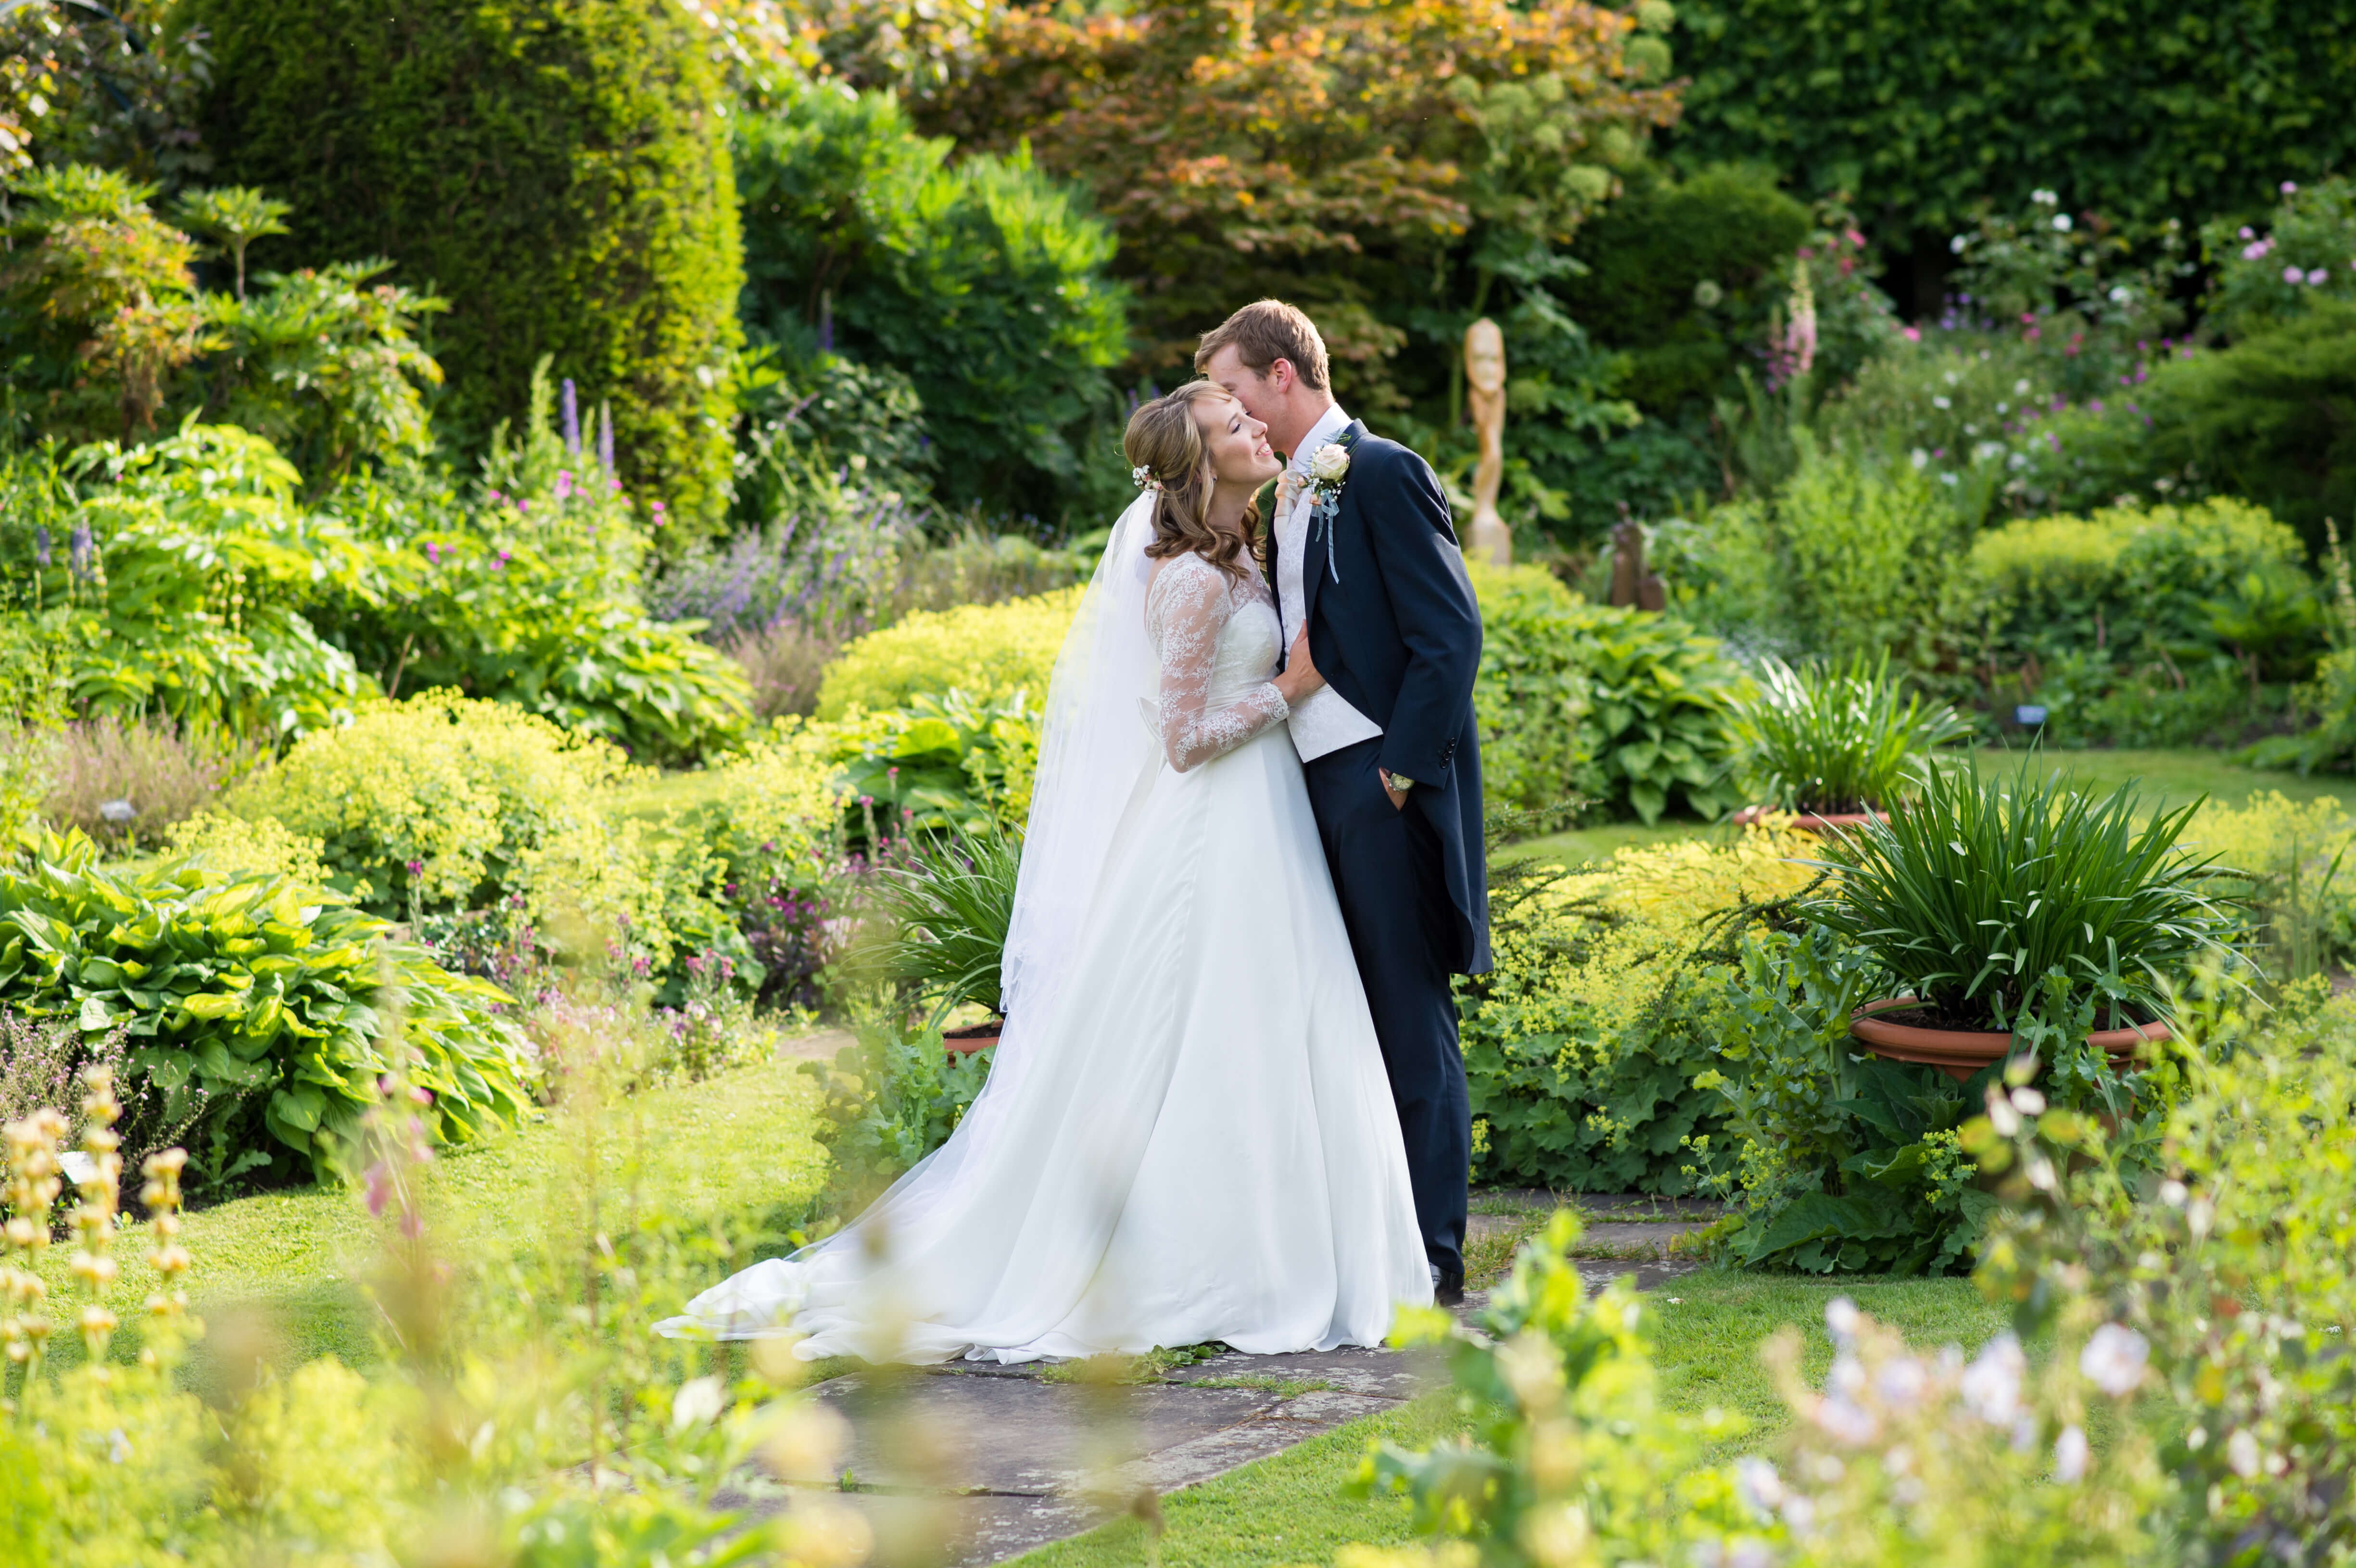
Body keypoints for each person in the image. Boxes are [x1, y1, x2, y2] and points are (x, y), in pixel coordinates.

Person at [657, 380, 1431, 1362]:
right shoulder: (1190, 581)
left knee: (1281, 1020)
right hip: (1210, 829)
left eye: (1248, 416)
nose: (1256, 428)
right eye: (1233, 426)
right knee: (1211, 1031)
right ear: (1200, 465)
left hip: (1264, 820)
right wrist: (1289, 689)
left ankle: (1303, 1246)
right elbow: (1187, 740)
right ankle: (1204, 1259)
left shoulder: (1248, 549)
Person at [1198, 300, 1489, 1306]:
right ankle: (1362, 1244)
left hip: (1378, 784)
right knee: (1340, 1017)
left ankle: (1432, 1258)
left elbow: (1449, 636)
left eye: (1234, 391)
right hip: (1304, 785)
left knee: (1409, 1018)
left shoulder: (1379, 471)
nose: (1227, 410)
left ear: (1282, 376)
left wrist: (1400, 771)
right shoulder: (1281, 493)